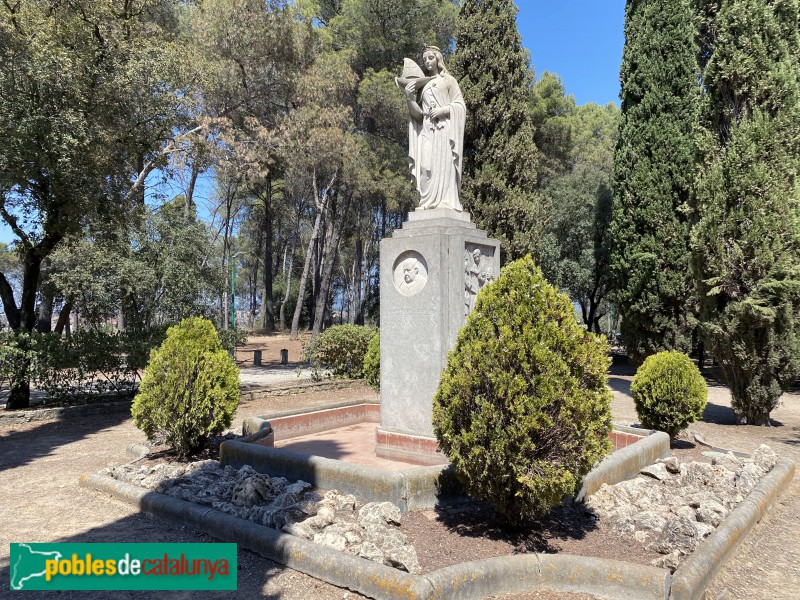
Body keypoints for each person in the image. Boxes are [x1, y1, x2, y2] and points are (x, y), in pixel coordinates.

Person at [403, 46, 466, 211]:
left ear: (438, 59)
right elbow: (418, 116)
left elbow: (460, 106)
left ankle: (445, 201)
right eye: (424, 60)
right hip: (427, 130)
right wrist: (410, 99)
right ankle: (427, 202)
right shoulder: (422, 85)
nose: (427, 62)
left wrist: (443, 110)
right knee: (426, 166)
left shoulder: (448, 80)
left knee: (443, 165)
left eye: (430, 58)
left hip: (444, 130)